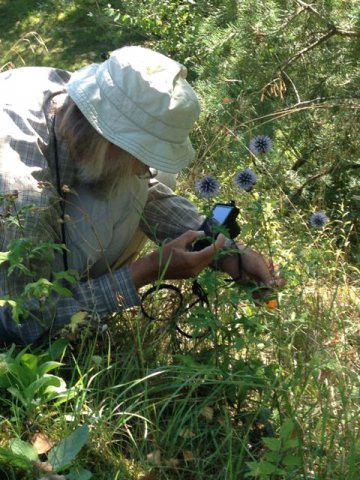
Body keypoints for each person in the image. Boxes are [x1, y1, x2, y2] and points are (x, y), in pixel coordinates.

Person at [0, 46, 283, 346]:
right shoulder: (21, 197)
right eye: (144, 153)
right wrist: (147, 271)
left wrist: (228, 252)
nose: (146, 169)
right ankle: (76, 315)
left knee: (152, 178)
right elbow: (21, 322)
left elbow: (143, 191)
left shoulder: (71, 104)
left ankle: (81, 297)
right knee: (118, 192)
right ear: (108, 140)